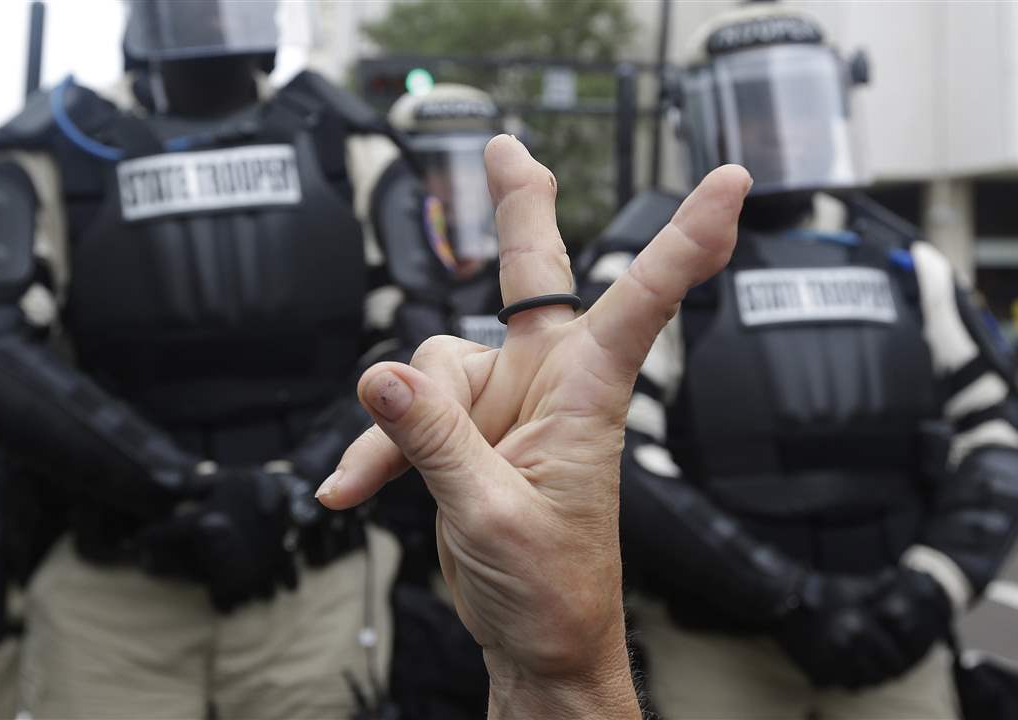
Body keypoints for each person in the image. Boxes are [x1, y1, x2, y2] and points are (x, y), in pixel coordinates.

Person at [0, 1, 448, 716]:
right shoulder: (46, 148)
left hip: (308, 587)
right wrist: (180, 488)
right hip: (113, 593)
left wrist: (294, 489)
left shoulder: (350, 143)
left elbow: (422, 344)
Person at [578, 5, 1018, 719]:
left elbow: (996, 437)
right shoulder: (648, 270)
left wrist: (929, 590)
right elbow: (611, 454)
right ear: (698, 121)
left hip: (895, 638)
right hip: (718, 647)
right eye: (753, 107)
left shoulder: (908, 265)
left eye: (804, 104)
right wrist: (784, 597)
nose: (783, 129)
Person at [318, 133, 753, 719]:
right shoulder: (395, 287)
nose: (457, 192)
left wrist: (567, 672)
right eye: (436, 173)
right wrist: (567, 675)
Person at [381, 83, 505, 719]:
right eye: (437, 170)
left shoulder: (543, 285)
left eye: (472, 168)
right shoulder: (378, 290)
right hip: (411, 553)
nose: (457, 189)